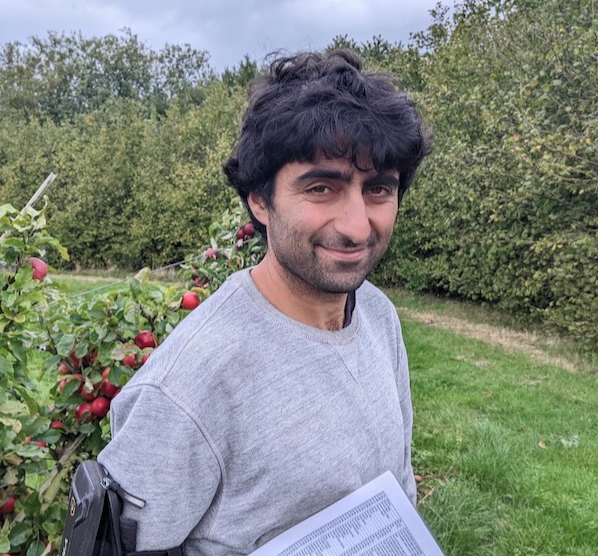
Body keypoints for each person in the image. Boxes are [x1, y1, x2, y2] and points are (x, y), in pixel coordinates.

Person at [97, 49, 432, 554]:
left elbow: (399, 489)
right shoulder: (189, 386)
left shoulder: (377, 314)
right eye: (323, 188)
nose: (357, 225)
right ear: (259, 200)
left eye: (379, 189)